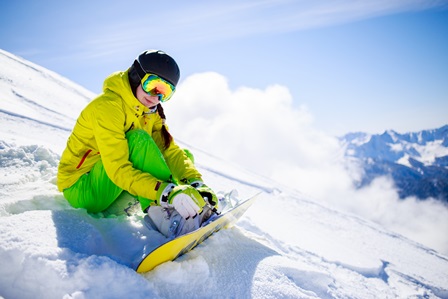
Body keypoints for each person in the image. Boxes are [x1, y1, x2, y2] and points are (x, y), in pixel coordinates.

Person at [57, 50, 218, 238]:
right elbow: (117, 169)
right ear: (136, 77)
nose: (156, 97)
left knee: (182, 156)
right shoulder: (107, 107)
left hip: (111, 190)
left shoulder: (150, 110)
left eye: (165, 92)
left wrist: (196, 183)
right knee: (138, 141)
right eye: (153, 86)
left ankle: (192, 207)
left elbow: (169, 151)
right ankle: (167, 216)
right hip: (82, 189)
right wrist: (166, 192)